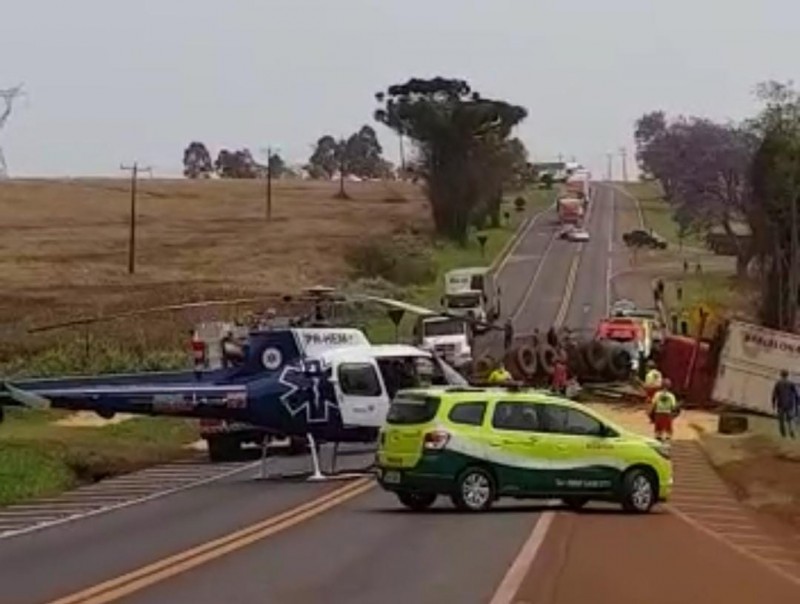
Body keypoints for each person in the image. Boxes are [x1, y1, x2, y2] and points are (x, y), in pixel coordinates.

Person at [771, 369, 798, 439]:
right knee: (790, 419)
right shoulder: (791, 383)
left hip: (781, 404)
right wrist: (797, 402)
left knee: (781, 420)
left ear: (781, 375)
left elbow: (774, 395)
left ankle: (783, 434)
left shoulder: (778, 383)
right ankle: (791, 431)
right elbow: (796, 394)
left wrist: (773, 404)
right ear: (787, 375)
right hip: (789, 404)